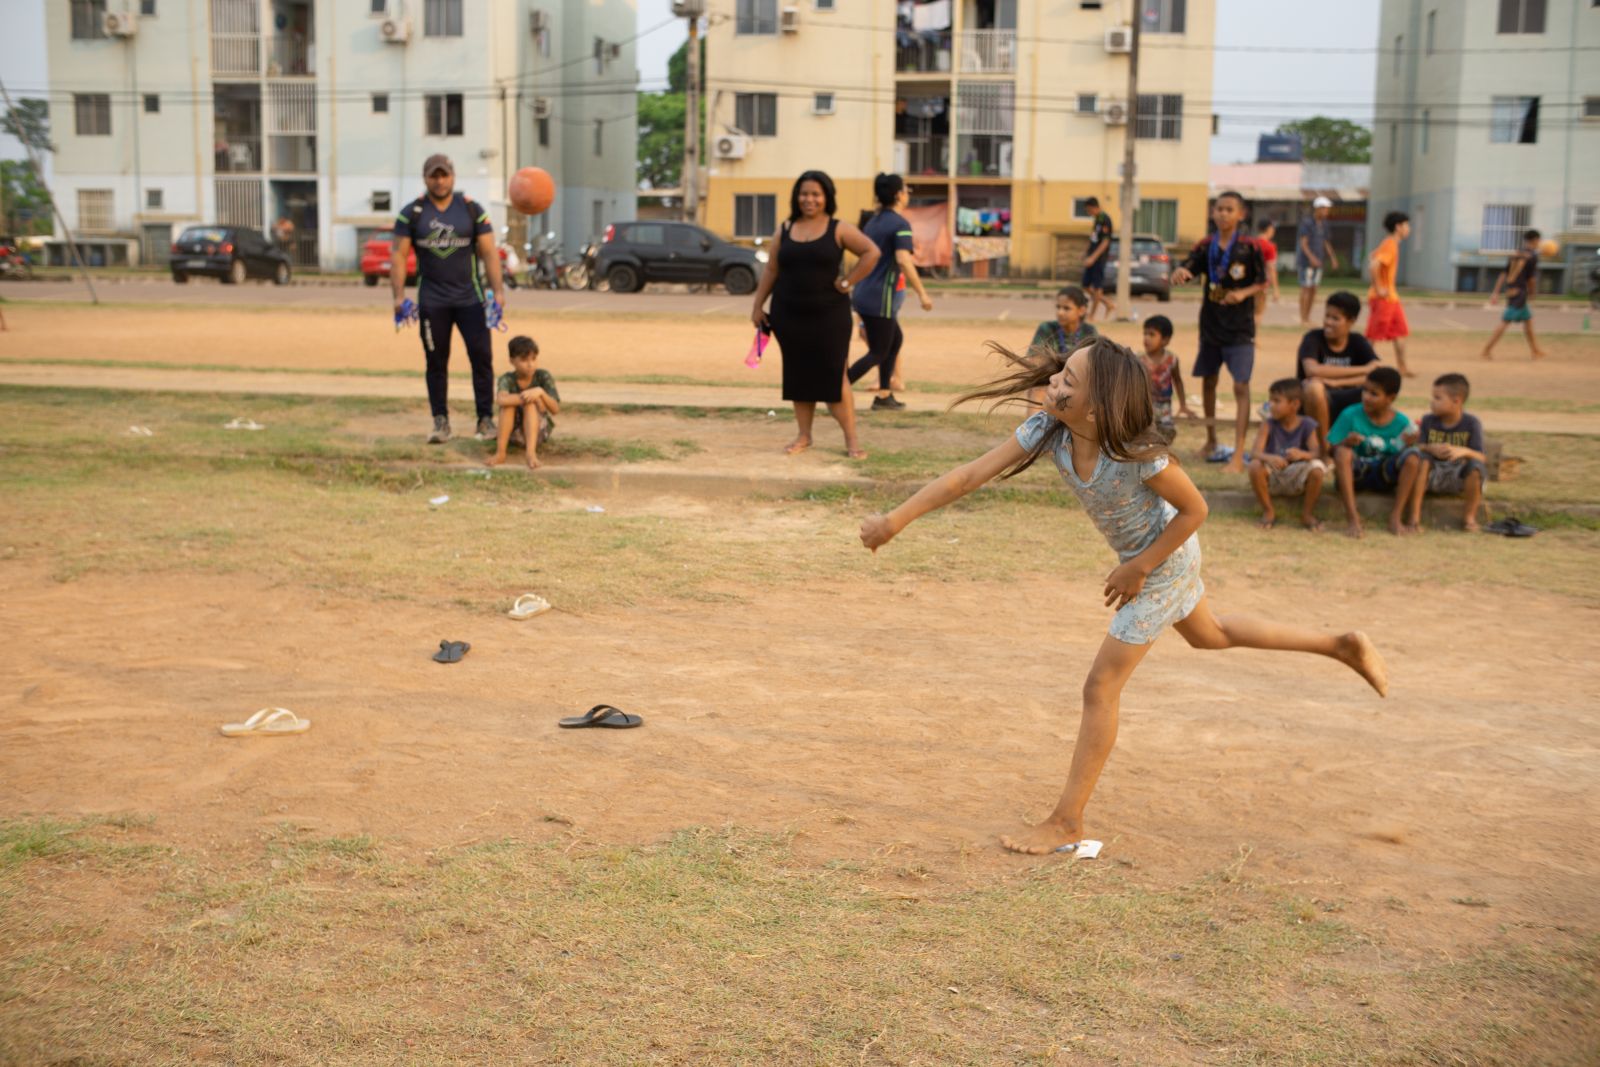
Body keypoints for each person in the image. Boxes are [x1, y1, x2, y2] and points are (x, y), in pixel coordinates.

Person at [857, 337, 1388, 855]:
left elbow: (1195, 509)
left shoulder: (1136, 453)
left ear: (1097, 407)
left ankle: (1067, 820)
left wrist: (1139, 566)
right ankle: (1339, 645)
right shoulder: (1050, 427)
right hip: (1151, 562)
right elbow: (968, 476)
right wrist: (894, 521)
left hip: (1163, 560)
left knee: (1101, 685)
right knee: (1212, 635)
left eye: (1068, 379)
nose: (1053, 381)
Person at [751, 170, 881, 459]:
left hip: (829, 317)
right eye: (804, 193)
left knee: (835, 378)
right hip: (788, 314)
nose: (809, 199)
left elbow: (871, 252)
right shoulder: (785, 229)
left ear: (826, 198)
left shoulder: (838, 228)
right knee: (797, 375)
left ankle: (852, 441)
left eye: (815, 194)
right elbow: (772, 269)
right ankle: (804, 435)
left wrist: (848, 282)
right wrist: (758, 305)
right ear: (797, 197)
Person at [393, 154, 508, 444]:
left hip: (471, 300)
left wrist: (499, 292)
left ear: (453, 176)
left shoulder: (471, 210)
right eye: (434, 175)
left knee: (482, 359)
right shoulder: (413, 213)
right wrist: (398, 296)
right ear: (425, 178)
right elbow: (398, 256)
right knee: (436, 362)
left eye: (444, 175)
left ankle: (484, 419)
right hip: (433, 303)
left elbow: (490, 253)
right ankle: (440, 422)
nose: (440, 180)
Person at [1170, 190, 1266, 474]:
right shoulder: (1205, 245)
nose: (1223, 214)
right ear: (1212, 213)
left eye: (1229, 209)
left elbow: (1263, 281)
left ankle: (1238, 452)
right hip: (1210, 326)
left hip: (1240, 329)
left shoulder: (1250, 247)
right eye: (1219, 209)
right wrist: (1182, 272)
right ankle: (1211, 440)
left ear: (1241, 214)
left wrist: (1242, 293)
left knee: (1240, 385)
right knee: (1208, 381)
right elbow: (1190, 266)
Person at [847, 173, 934, 411]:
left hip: (864, 293)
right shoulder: (899, 224)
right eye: (906, 189)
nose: (907, 194)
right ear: (898, 195)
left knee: (894, 340)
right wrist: (923, 294)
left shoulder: (873, 221)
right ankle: (837, 389)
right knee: (878, 351)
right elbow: (903, 260)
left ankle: (884, 395)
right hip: (879, 296)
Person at [1395, 373, 1487, 533]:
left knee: (1475, 467)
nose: (1432, 402)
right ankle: (1414, 519)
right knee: (1422, 460)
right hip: (1432, 474)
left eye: (1437, 398)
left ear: (1456, 401)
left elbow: (1481, 456)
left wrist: (1463, 451)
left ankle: (1469, 518)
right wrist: (1431, 448)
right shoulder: (1428, 420)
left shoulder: (1471, 423)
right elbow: (1420, 446)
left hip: (1458, 476)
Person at [1329, 366, 1412, 539]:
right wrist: (1345, 442)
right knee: (1343, 453)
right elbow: (1330, 449)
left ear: (1391, 398)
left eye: (1374, 394)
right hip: (1357, 473)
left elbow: (1403, 456)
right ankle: (1353, 519)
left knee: (1413, 457)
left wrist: (1410, 444)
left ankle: (1396, 516)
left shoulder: (1402, 423)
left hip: (1385, 474)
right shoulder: (1350, 414)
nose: (1366, 397)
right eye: (1364, 391)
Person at [1298, 291, 1381, 452]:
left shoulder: (1357, 341)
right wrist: (1363, 369)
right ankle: (1323, 449)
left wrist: (1336, 382)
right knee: (1314, 387)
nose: (1328, 322)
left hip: (1348, 400)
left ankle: (1373, 445)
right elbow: (1311, 369)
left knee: (1380, 390)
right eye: (1326, 316)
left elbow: (1376, 374)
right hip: (1316, 402)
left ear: (1351, 321)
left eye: (1335, 318)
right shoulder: (1313, 338)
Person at [1247, 379, 1326, 531]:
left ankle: (1307, 514)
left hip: (1297, 475)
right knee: (1255, 466)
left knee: (1317, 470)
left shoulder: (1307, 424)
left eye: (1277, 401)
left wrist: (1302, 454)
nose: (1271, 405)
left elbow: (1317, 453)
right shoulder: (1268, 424)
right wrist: (1271, 458)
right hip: (1275, 474)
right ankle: (1269, 511)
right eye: (1270, 400)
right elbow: (1254, 453)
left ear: (1295, 404)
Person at [486, 335, 560, 470]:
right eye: (524, 360)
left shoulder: (543, 376)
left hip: (538, 432)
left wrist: (540, 392)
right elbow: (501, 399)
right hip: (513, 433)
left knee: (529, 405)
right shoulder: (507, 379)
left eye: (533, 359)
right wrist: (531, 397)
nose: (530, 364)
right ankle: (501, 453)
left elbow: (555, 409)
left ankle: (530, 453)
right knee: (508, 406)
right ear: (512, 361)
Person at [1025, 286, 1097, 410]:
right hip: (1051, 382)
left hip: (1077, 386)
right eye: (1058, 307)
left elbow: (1094, 366)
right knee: (1038, 390)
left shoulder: (1089, 332)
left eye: (1066, 308)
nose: (1060, 312)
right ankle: (1037, 429)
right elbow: (1035, 361)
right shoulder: (1047, 328)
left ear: (1081, 310)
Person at [1482, 229, 1548, 361]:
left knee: (1528, 322)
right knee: (1505, 322)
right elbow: (1531, 279)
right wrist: (1533, 293)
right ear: (1535, 240)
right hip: (1521, 293)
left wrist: (1495, 292)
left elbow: (1503, 274)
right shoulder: (1532, 257)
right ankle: (1486, 350)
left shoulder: (1516, 254)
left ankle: (1535, 351)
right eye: (1539, 241)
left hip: (1511, 291)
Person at [1367, 211, 1414, 377]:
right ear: (1398, 227)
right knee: (1373, 335)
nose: (1409, 228)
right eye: (1407, 225)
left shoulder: (1390, 243)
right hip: (1383, 299)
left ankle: (1402, 368)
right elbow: (1374, 264)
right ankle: (1362, 366)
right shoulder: (1390, 244)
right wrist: (1379, 287)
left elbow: (1371, 256)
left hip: (1392, 298)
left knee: (1400, 332)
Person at [1139, 314, 1194, 443]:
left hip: (1165, 408)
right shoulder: (1139, 361)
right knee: (1143, 437)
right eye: (1145, 334)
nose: (1146, 338)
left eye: (1152, 334)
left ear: (1165, 340)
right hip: (1145, 408)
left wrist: (1183, 405)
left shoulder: (1172, 360)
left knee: (1166, 435)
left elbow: (1178, 381)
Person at [1296, 196, 1340, 327]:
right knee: (1306, 288)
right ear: (1318, 209)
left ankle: (1308, 317)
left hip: (1319, 261)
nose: (1327, 211)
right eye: (1325, 209)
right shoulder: (1307, 223)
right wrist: (1311, 258)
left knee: (1314, 289)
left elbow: (1326, 242)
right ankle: (1303, 318)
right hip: (1306, 262)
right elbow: (1303, 243)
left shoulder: (1325, 224)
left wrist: (1333, 258)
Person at [1080, 197, 1116, 322]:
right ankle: (1108, 303)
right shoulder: (1097, 220)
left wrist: (1093, 258)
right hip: (1091, 257)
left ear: (1093, 207)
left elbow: (1105, 242)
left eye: (1088, 210)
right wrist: (1086, 254)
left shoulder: (1105, 219)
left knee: (1097, 287)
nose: (1088, 213)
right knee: (1085, 285)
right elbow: (1094, 239)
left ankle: (1092, 316)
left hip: (1099, 259)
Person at [1253, 218, 1280, 325]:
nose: (1273, 230)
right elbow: (1271, 268)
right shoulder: (1269, 246)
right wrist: (1276, 289)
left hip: (1246, 283)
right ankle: (1252, 338)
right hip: (1261, 283)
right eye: (1272, 228)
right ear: (1268, 229)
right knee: (1258, 312)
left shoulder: (1251, 243)